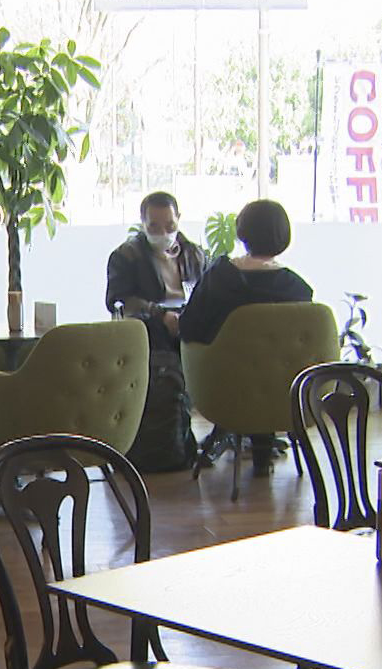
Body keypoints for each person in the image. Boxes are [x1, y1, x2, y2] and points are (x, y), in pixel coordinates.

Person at [177, 199, 315, 474]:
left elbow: (190, 328)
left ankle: (225, 434)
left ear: (242, 233)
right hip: (284, 394)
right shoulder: (298, 289)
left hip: (224, 388)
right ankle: (263, 452)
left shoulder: (219, 278)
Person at [105, 191, 208, 349]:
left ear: (178, 219)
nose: (163, 233)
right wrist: (161, 315)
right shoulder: (126, 256)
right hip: (149, 330)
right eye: (154, 227)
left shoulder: (194, 255)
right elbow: (120, 299)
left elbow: (207, 292)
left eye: (170, 226)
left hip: (190, 324)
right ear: (143, 222)